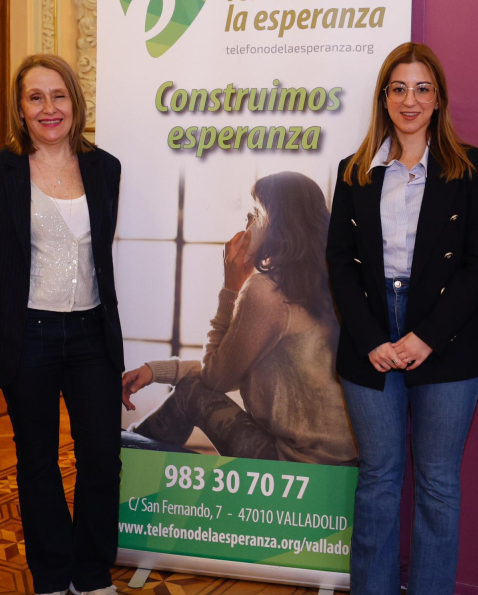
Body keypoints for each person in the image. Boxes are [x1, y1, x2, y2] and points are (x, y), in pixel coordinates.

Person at [326, 42, 478, 594]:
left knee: (438, 484)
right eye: (399, 88)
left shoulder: (471, 167)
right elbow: (339, 262)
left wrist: (426, 336)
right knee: (378, 479)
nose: (411, 100)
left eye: (422, 88)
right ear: (384, 97)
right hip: (371, 330)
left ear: (439, 98)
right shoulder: (353, 171)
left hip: (447, 333)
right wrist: (370, 339)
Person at [0, 54, 124, 595]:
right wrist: (6, 322)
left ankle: (93, 575)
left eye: (58, 95)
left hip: (92, 335)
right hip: (28, 336)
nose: (48, 108)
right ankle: (53, 578)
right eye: (35, 97)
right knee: (37, 461)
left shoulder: (105, 168)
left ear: (75, 103)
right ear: (20, 108)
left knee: (101, 457)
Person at [121, 172, 356, 466]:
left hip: (297, 466)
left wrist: (231, 288)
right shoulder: (327, 285)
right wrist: (157, 371)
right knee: (189, 392)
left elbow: (216, 378)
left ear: (275, 223)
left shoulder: (266, 292)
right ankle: (130, 450)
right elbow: (231, 366)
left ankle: (124, 459)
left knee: (188, 393)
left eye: (253, 214)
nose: (246, 224)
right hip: (341, 469)